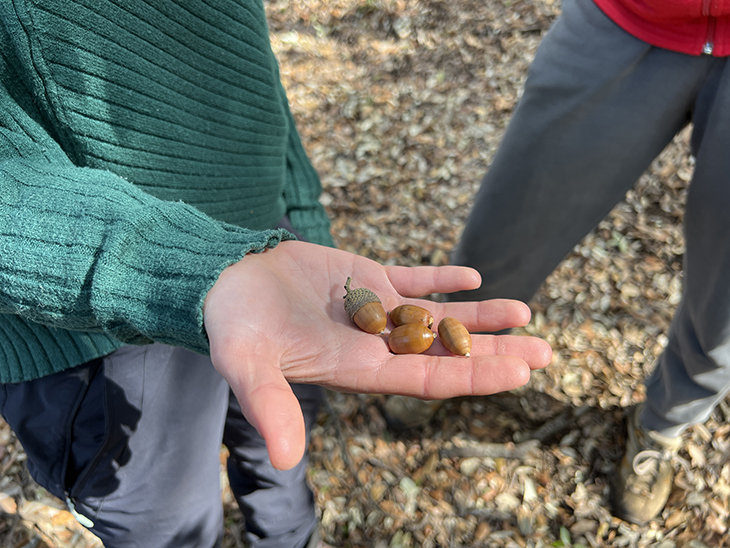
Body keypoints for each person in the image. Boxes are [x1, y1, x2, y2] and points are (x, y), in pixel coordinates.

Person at [0, 1, 553, 547]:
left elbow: (241, 55)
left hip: (273, 267)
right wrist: (164, 264)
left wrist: (303, 215)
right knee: (163, 524)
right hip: (85, 326)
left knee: (280, 458)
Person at [445, 0, 730, 527]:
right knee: (512, 219)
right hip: (626, 16)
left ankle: (665, 425)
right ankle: (449, 348)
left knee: (726, 300)